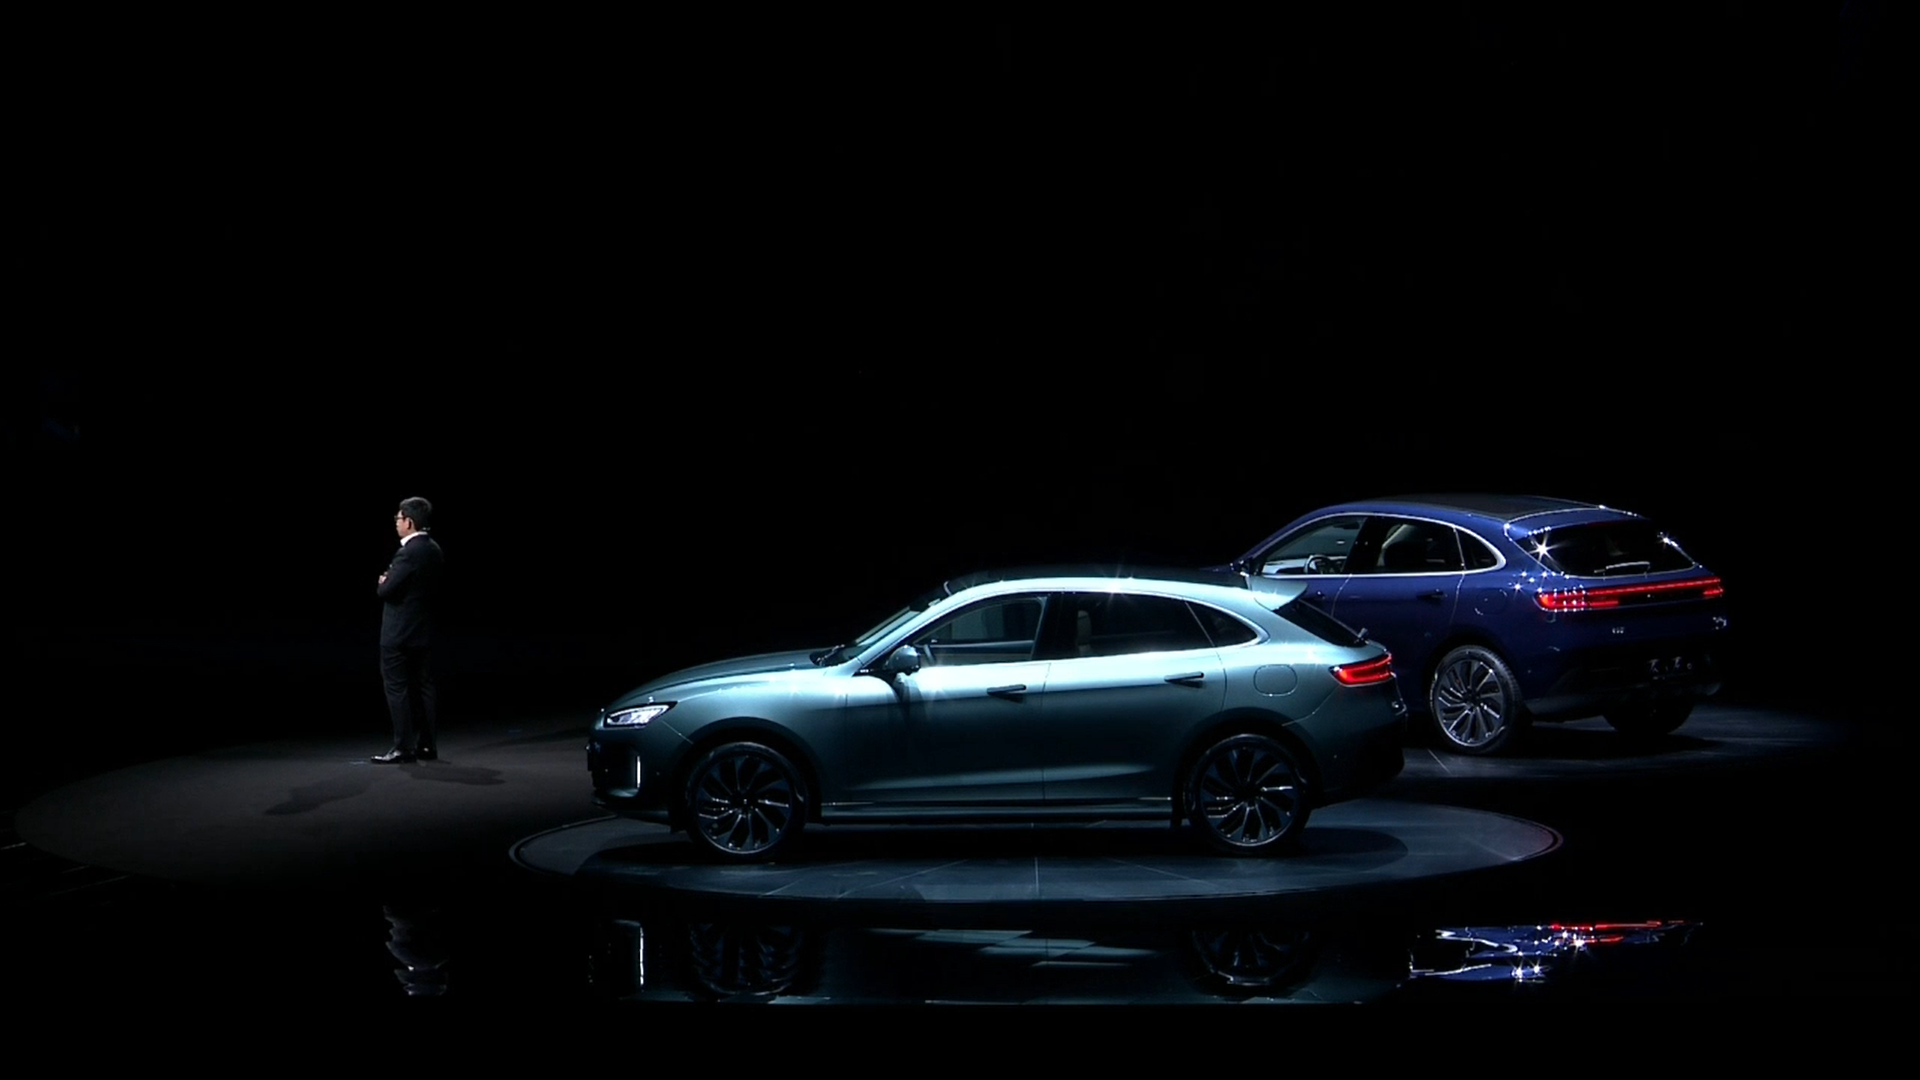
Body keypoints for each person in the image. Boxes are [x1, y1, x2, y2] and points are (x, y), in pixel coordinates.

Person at [373, 496, 445, 763]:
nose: (396, 523)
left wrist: (384, 581)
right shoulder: (435, 549)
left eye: (398, 518)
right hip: (424, 630)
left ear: (409, 521)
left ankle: (403, 747)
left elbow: (386, 590)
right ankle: (427, 745)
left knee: (397, 688)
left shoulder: (407, 552)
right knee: (425, 686)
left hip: (399, 632)